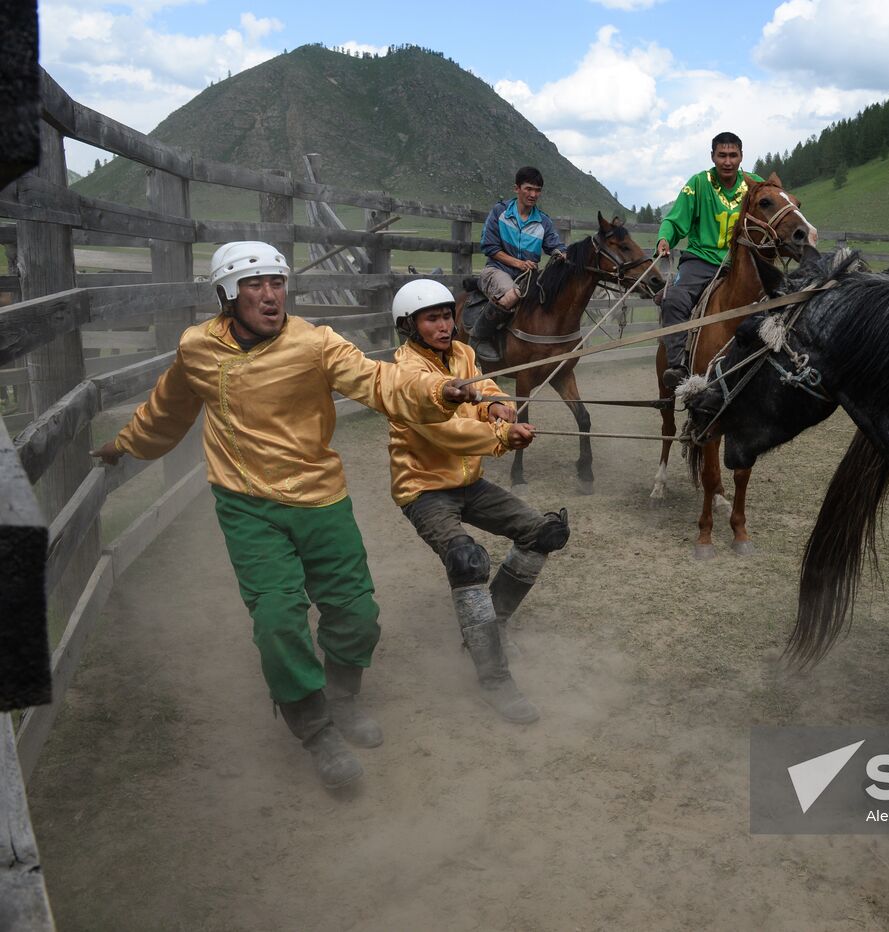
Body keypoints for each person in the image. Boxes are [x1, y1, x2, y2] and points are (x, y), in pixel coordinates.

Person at [90, 241, 480, 790]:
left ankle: (342, 698)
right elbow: (166, 410)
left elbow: (379, 380)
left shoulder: (316, 343)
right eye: (255, 285)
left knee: (355, 613)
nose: (270, 295)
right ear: (228, 293)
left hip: (321, 496)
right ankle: (314, 726)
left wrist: (441, 387)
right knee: (277, 618)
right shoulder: (198, 349)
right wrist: (123, 446)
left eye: (277, 283)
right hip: (247, 502)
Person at [387, 280, 571, 725]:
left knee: (546, 531)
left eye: (447, 315)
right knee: (468, 561)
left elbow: (483, 383)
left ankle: (491, 625)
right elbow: (444, 432)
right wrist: (503, 435)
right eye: (432, 318)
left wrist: (493, 404)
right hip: (425, 489)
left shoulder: (462, 354)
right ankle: (493, 679)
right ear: (408, 326)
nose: (445, 325)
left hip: (467, 481)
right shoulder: (407, 375)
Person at [654, 131, 766, 390]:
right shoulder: (698, 183)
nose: (727, 161)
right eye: (722, 155)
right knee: (674, 299)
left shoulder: (755, 184)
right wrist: (665, 239)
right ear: (713, 157)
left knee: (781, 301)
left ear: (741, 157)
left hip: (744, 263)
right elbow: (675, 219)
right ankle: (678, 364)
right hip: (701, 260)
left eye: (733, 155)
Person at [472, 166, 569, 347]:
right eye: (529, 189)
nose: (533, 194)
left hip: (528, 277)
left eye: (537, 190)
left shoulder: (543, 222)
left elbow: (556, 247)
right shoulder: (499, 213)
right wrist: (519, 263)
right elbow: (489, 247)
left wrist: (563, 254)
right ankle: (479, 340)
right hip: (497, 269)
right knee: (513, 295)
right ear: (517, 188)